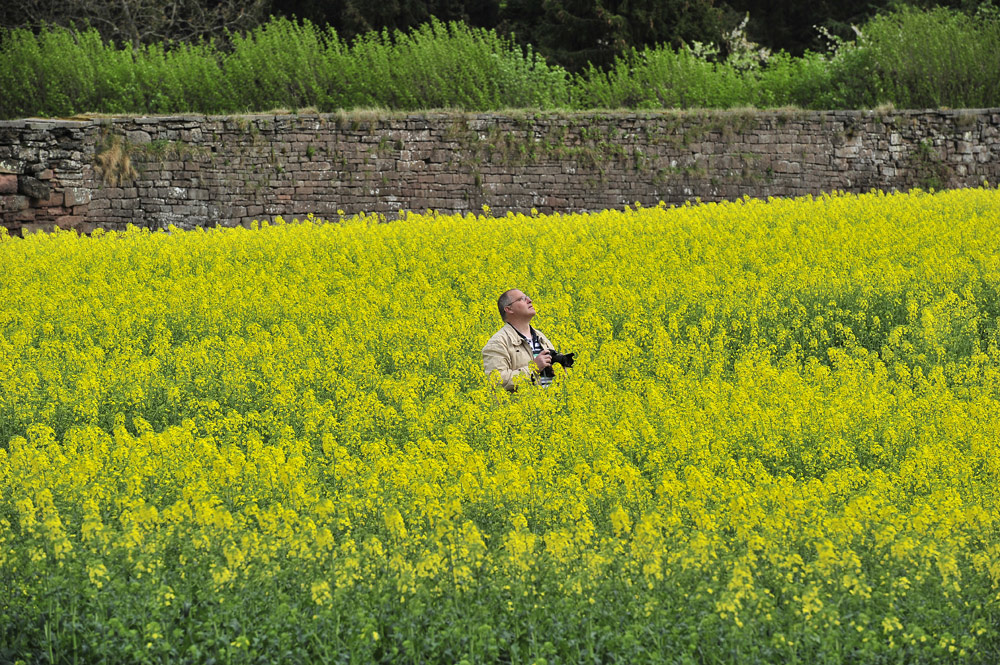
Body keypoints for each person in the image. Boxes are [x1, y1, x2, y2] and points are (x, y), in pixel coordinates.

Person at [482, 288, 557, 391]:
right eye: (522, 299)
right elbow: (497, 381)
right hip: (520, 405)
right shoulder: (498, 343)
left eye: (527, 297)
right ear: (509, 309)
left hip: (550, 404)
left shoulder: (540, 337)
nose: (529, 300)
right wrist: (533, 368)